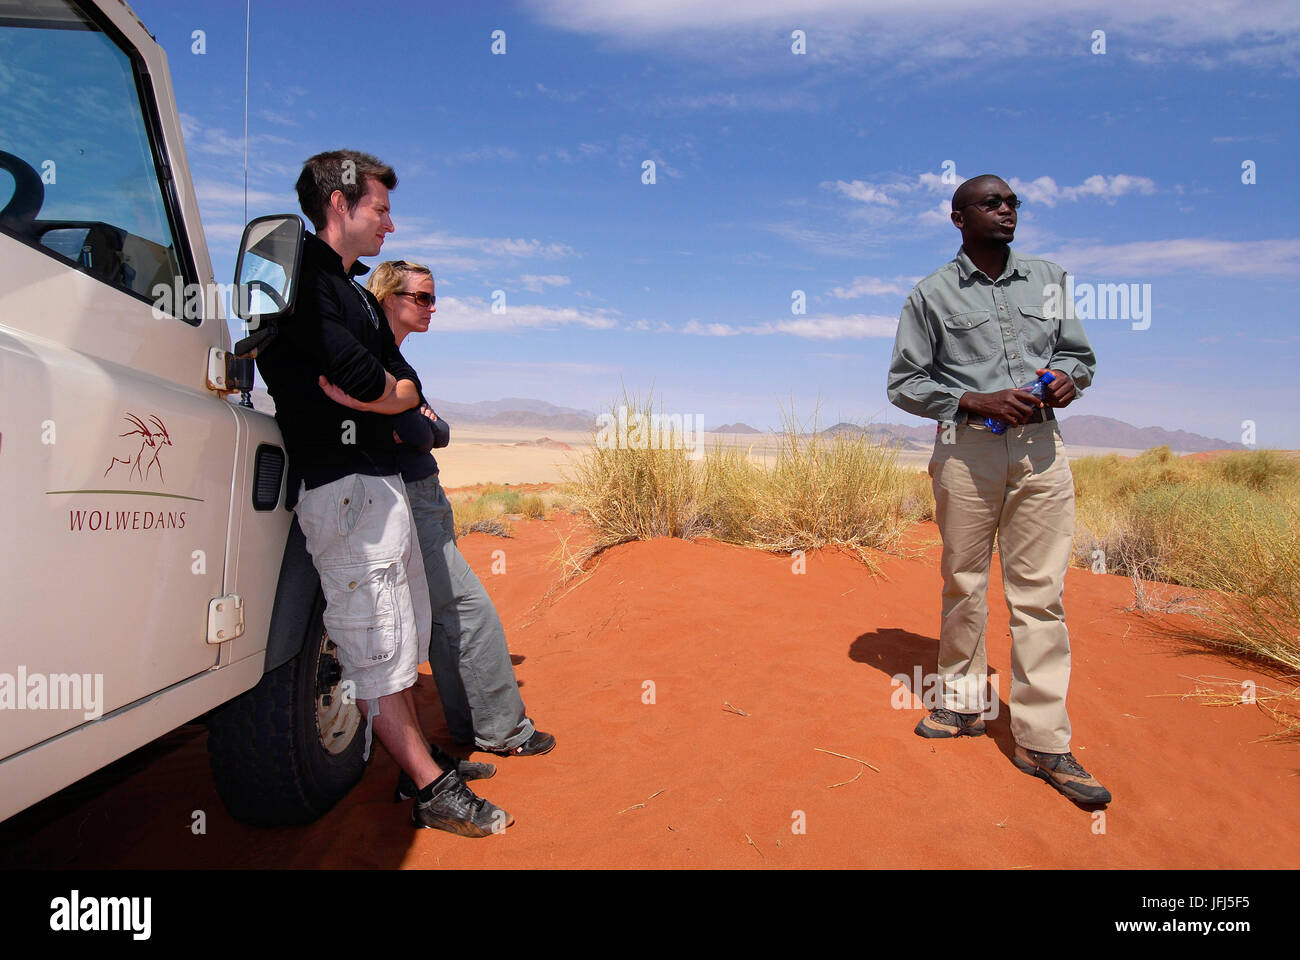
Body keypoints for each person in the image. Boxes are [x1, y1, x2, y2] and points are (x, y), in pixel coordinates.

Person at [255, 149, 509, 835]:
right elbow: (368, 383)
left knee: (402, 638)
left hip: (376, 487)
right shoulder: (305, 277)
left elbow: (403, 387)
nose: (390, 225)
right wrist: (386, 398)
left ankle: (412, 761)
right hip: (341, 489)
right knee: (374, 644)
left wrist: (391, 397)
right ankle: (433, 789)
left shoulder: (352, 292)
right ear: (340, 205)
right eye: (381, 208)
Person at [886, 173, 1110, 805]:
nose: (1007, 210)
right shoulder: (929, 295)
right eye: (992, 202)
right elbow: (904, 382)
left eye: (1013, 202)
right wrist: (970, 398)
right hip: (967, 450)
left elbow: (1080, 357)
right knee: (964, 578)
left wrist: (1069, 379)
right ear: (959, 218)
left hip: (1042, 450)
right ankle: (959, 704)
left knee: (1040, 595)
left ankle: (1044, 740)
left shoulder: (1050, 279)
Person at [362, 260, 555, 794]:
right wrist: (418, 425)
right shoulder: (378, 355)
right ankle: (504, 730)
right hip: (409, 500)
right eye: (421, 298)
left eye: (432, 298)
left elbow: (436, 431)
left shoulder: (397, 360)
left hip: (425, 498)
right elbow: (414, 430)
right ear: (388, 296)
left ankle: (474, 725)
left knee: (447, 616)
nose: (432, 307)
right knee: (467, 611)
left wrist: (422, 426)